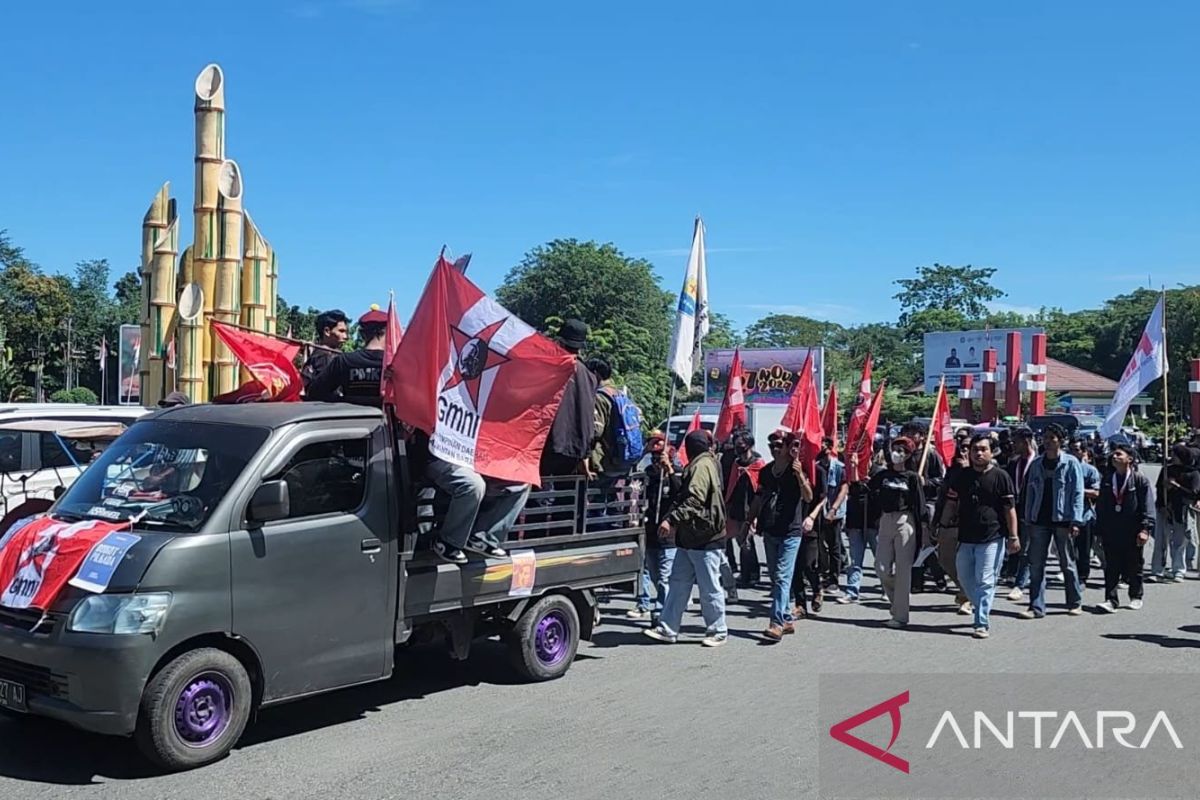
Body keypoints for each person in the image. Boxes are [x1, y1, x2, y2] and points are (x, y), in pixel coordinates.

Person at [644, 430, 728, 647]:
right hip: (691, 537)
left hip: (705, 537)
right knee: (678, 584)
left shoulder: (701, 466)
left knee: (709, 587)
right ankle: (668, 627)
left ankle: (718, 630)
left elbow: (693, 499)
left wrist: (671, 520)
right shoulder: (704, 463)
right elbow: (683, 492)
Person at [944, 434, 1019, 638]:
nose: (978, 453)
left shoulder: (1001, 476)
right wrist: (942, 525)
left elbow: (1009, 509)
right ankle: (978, 605)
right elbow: (952, 502)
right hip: (966, 537)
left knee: (985, 580)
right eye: (975, 449)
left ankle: (981, 622)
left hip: (992, 537)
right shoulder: (962, 476)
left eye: (983, 449)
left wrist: (1014, 536)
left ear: (991, 451)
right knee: (964, 578)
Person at [750, 432, 814, 640]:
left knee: (783, 578)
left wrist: (800, 476)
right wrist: (747, 522)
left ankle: (776, 622)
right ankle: (786, 618)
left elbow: (808, 497)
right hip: (770, 530)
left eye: (779, 445)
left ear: (787, 447)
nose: (774, 448)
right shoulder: (767, 471)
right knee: (776, 577)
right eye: (771, 445)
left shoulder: (796, 470)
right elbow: (759, 498)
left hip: (790, 532)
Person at [1019, 424, 1085, 620]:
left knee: (1067, 563)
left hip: (1062, 520)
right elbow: (1029, 492)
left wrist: (1075, 520)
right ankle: (1036, 606)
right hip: (1039, 520)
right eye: (1045, 438)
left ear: (1060, 441)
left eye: (1051, 438)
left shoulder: (1071, 463)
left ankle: (1074, 602)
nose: (1047, 442)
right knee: (1036, 564)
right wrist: (1028, 516)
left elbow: (1077, 493)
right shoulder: (1037, 464)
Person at [869, 436, 924, 628]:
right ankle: (897, 600)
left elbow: (920, 505)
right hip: (886, 520)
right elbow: (868, 491)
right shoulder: (882, 475)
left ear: (909, 455)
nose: (897, 453)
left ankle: (900, 616)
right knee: (881, 567)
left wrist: (924, 531)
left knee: (903, 570)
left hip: (905, 521)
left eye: (903, 450)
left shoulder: (912, 477)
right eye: (895, 448)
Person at [1095, 444, 1154, 612]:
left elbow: (1147, 506)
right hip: (1111, 531)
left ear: (1130, 459)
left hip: (1133, 530)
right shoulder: (1107, 479)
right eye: (1114, 455)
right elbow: (1101, 506)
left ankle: (1136, 596)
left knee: (1134, 565)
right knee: (1111, 566)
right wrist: (1099, 530)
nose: (1115, 457)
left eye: (1119, 455)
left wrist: (1145, 529)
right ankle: (1111, 600)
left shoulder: (1139, 480)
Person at [629, 431, 679, 622]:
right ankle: (649, 605)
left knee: (665, 577)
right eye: (655, 456)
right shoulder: (649, 472)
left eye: (661, 455)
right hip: (650, 532)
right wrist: (644, 451)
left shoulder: (678, 472)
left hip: (669, 535)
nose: (657, 459)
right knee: (653, 573)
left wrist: (669, 471)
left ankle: (662, 614)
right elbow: (631, 471)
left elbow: (680, 494)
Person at [540, 319, 598, 477]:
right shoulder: (590, 376)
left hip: (551, 444)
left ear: (560, 342)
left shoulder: (553, 368)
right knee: (565, 497)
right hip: (576, 449)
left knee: (542, 497)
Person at [305, 307, 386, 407]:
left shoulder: (344, 361)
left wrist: (347, 400)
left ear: (361, 334)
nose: (346, 336)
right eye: (342, 331)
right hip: (389, 421)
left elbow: (315, 393)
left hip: (348, 419)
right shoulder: (396, 364)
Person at [1149, 443, 1200, 583]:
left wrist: (1176, 486)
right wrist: (1162, 505)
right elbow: (1159, 489)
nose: (1172, 457)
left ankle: (1178, 570)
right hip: (1164, 509)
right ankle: (1157, 569)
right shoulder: (1167, 470)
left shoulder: (1193, 473)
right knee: (1160, 541)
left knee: (1179, 542)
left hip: (1181, 511)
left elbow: (1194, 494)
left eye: (1175, 454)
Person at [933, 439, 973, 615]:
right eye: (961, 447)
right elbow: (943, 496)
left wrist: (966, 471)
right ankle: (965, 589)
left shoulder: (983, 471)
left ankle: (967, 597)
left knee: (966, 563)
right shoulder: (952, 471)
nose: (963, 451)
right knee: (945, 560)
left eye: (967, 448)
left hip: (971, 524)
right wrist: (936, 521)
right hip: (948, 522)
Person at [722, 430, 764, 588]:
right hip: (737, 508)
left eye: (741, 444)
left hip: (751, 508)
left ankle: (752, 573)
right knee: (741, 541)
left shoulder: (758, 464)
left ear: (749, 445)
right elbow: (732, 485)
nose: (737, 447)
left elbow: (760, 488)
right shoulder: (736, 464)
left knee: (747, 542)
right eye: (736, 444)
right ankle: (747, 573)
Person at [839, 451, 882, 604]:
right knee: (855, 560)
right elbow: (855, 491)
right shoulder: (850, 471)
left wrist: (867, 485)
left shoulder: (879, 472)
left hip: (874, 524)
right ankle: (852, 591)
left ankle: (888, 588)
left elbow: (879, 496)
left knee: (881, 560)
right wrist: (855, 470)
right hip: (856, 523)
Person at [1001, 427, 1037, 600]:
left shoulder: (1038, 462)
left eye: (1016, 442)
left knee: (1027, 548)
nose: (1013, 445)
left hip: (1033, 511)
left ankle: (1020, 584)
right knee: (1015, 544)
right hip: (1015, 509)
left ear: (1026, 441)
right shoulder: (1013, 462)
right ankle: (1012, 574)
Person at [817, 437, 848, 595]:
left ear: (829, 448)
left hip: (834, 512)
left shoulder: (838, 467)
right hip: (818, 512)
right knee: (819, 545)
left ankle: (834, 579)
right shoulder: (816, 466)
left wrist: (833, 509)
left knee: (834, 546)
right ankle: (823, 574)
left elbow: (843, 489)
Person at [1070, 440, 1102, 586]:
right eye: (1071, 449)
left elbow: (1096, 492)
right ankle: (1071, 574)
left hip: (1084, 515)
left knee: (1083, 549)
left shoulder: (1090, 470)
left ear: (1083, 452)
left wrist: (1078, 491)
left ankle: (1082, 577)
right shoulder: (1065, 467)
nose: (1073, 452)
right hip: (1066, 515)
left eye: (1076, 449)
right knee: (1068, 549)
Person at [301, 309, 350, 392]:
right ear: (327, 331)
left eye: (346, 332)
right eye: (341, 331)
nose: (345, 336)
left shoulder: (319, 354)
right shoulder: (325, 356)